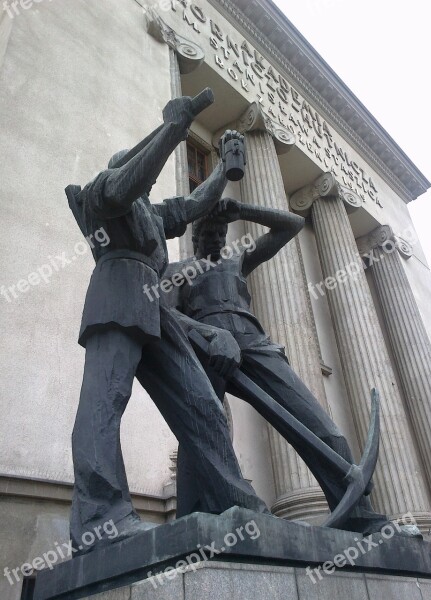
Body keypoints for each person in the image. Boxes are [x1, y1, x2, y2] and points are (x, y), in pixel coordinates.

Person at [66, 100, 269, 553]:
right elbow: (124, 186)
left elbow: (196, 204)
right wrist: (173, 131)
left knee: (201, 402)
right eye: (146, 171)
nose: (151, 180)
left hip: (156, 309)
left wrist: (224, 168)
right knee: (105, 404)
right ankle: (101, 517)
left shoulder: (153, 216)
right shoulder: (105, 192)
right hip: (117, 296)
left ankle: (234, 499)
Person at [167, 198, 391, 535]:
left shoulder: (236, 261)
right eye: (209, 233)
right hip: (205, 350)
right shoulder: (178, 272)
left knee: (319, 423)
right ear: (195, 239)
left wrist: (245, 210)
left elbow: (291, 225)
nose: (216, 239)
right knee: (201, 429)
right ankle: (192, 516)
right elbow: (167, 314)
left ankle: (356, 510)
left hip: (253, 343)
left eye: (221, 233)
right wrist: (207, 334)